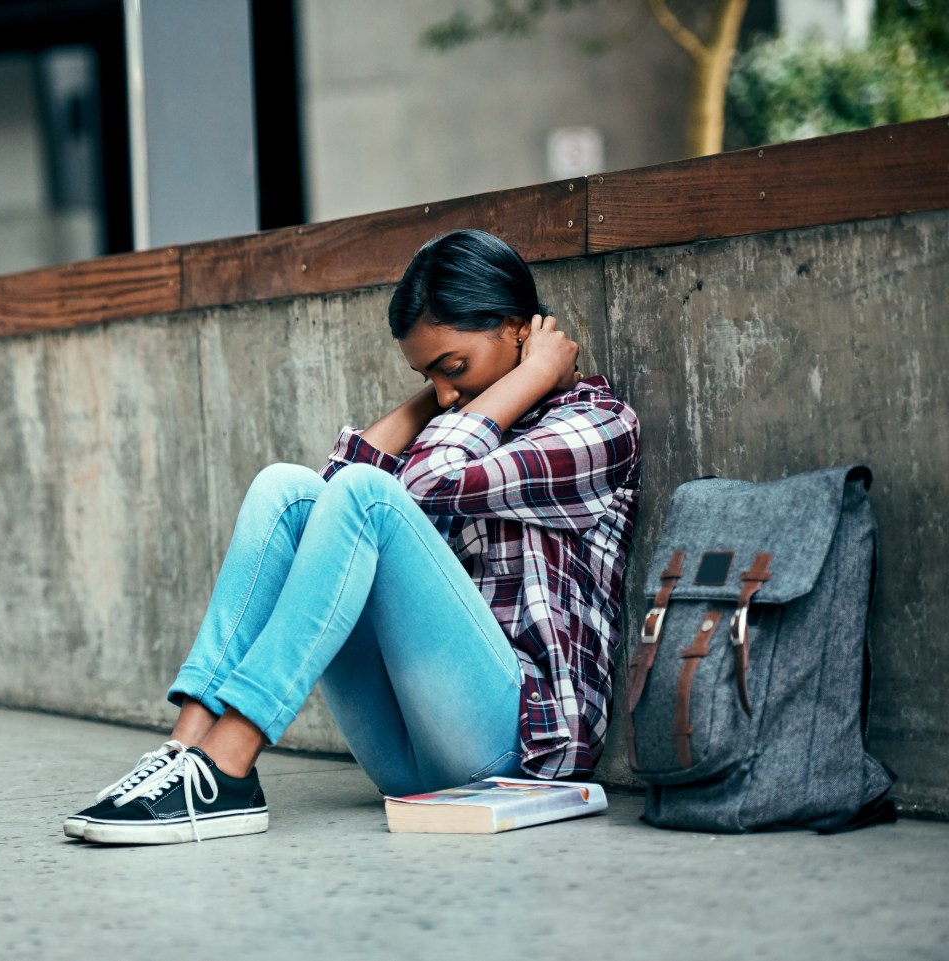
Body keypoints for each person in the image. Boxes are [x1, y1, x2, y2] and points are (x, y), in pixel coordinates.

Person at [64, 228, 641, 845]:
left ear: (517, 329)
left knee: (370, 494)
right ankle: (188, 751)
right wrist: (444, 391)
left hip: (518, 755)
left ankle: (229, 764)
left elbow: (421, 479)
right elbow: (320, 508)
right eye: (429, 377)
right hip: (407, 759)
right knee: (284, 490)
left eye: (453, 368)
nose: (446, 394)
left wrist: (529, 380)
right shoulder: (459, 420)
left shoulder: (594, 426)